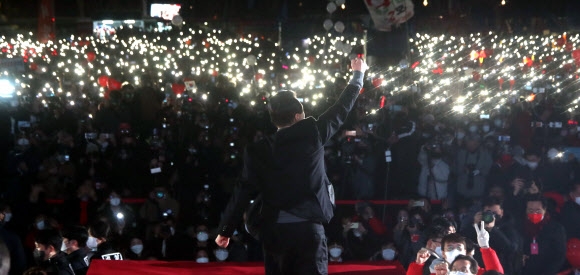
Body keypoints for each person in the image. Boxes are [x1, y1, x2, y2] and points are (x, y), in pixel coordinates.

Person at [215, 58, 367, 275]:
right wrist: (357, 76)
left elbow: (242, 191)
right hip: (307, 231)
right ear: (298, 116)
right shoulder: (312, 133)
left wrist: (226, 229)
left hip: (274, 232)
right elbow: (341, 109)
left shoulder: (257, 150)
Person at [406, 232, 504, 275]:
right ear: (443, 253)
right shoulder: (437, 272)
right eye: (450, 248)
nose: (455, 250)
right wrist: (418, 265)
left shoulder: (476, 272)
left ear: (465, 252)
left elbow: (496, 274)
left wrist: (486, 248)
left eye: (458, 247)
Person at [519, 194, 567, 275]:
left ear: (545, 210)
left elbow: (560, 255)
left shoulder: (556, 229)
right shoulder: (519, 227)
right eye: (530, 211)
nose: (534, 213)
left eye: (538, 211)